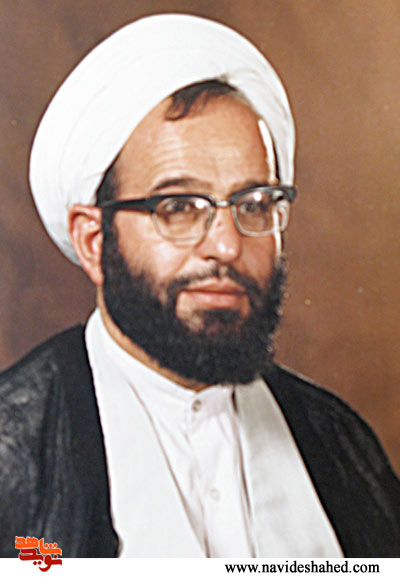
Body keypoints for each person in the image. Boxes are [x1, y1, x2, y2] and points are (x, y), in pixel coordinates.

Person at [0, 14, 399, 558]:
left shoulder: (339, 440)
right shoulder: (13, 450)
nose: (227, 246)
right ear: (94, 240)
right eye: (178, 206)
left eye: (254, 203)